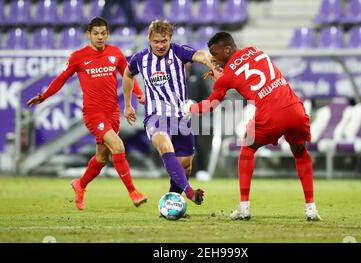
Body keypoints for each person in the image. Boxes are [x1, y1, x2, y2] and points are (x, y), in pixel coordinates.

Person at [184, 32, 322, 221]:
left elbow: (211, 105)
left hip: (270, 114)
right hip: (294, 108)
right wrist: (223, 71)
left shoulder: (227, 76)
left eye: (215, 54)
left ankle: (244, 207)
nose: (213, 59)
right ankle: (311, 208)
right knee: (300, 152)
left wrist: (189, 108)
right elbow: (245, 69)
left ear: (227, 49)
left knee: (247, 148)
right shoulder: (255, 50)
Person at [27, 17, 147, 210]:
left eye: (103, 33)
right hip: (93, 114)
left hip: (112, 113)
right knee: (118, 146)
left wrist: (139, 95)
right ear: (88, 35)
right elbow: (61, 79)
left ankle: (80, 185)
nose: (100, 37)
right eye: (96, 33)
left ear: (107, 34)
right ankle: (133, 192)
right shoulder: (78, 56)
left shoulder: (116, 53)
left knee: (101, 158)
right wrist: (43, 96)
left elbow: (128, 77)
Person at [122, 19, 216, 205]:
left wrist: (214, 68)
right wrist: (127, 104)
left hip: (181, 117)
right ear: (149, 39)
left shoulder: (178, 51)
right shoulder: (140, 58)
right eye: (156, 41)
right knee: (165, 145)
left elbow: (202, 56)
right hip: (155, 116)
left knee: (186, 165)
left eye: (164, 40)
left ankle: (172, 201)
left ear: (170, 38)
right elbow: (127, 74)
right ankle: (189, 193)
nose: (160, 45)